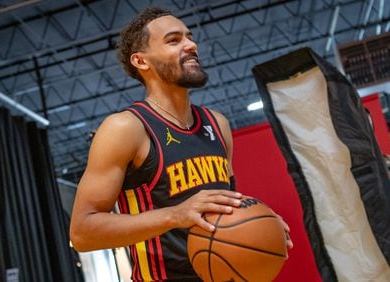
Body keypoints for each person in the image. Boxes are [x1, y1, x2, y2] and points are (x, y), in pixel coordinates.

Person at [70, 6, 293, 281]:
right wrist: (175, 215)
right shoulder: (126, 128)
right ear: (141, 61)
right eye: (174, 40)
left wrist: (262, 224)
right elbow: (82, 232)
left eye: (189, 37)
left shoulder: (217, 123)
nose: (191, 45)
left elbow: (228, 205)